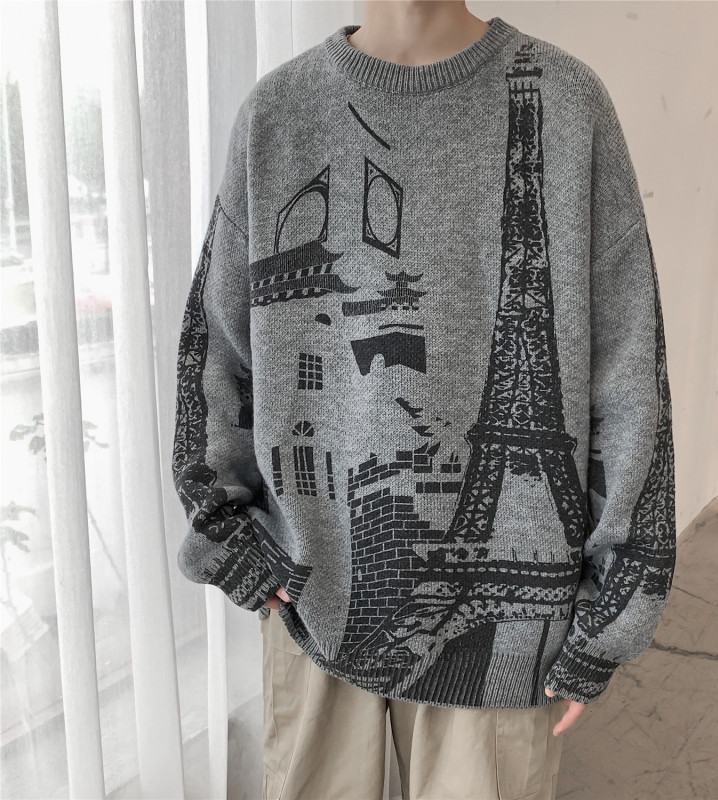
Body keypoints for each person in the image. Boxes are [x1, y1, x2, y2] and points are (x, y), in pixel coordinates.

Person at [171, 2, 677, 799]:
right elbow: (218, 346)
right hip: (311, 598)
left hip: (518, 631)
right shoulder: (277, 112)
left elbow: (628, 368)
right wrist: (226, 530)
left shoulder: (568, 103)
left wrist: (613, 611)